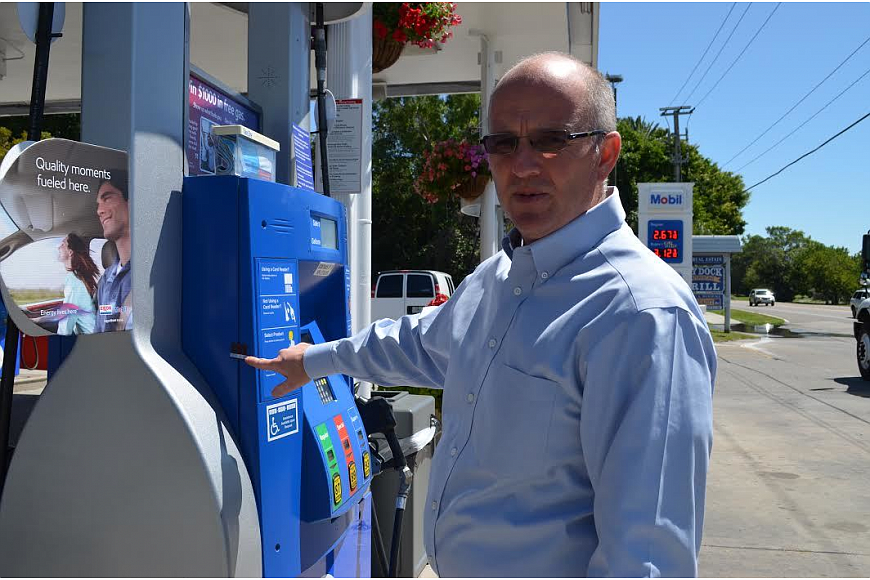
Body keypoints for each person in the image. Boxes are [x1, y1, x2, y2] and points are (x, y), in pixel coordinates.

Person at [246, 52, 716, 577]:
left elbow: (647, 556)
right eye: (504, 143)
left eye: (551, 140)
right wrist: (313, 360)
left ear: (605, 154)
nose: (523, 165)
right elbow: (417, 345)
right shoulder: (499, 276)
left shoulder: (642, 313)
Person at [94, 173, 132, 332]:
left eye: (107, 198)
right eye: (98, 205)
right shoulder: (105, 281)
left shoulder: (155, 270)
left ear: (131, 202)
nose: (99, 211)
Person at [56, 233, 99, 335]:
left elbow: (66, 323)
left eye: (62, 244)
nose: (58, 247)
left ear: (70, 252)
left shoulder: (74, 281)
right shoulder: (77, 277)